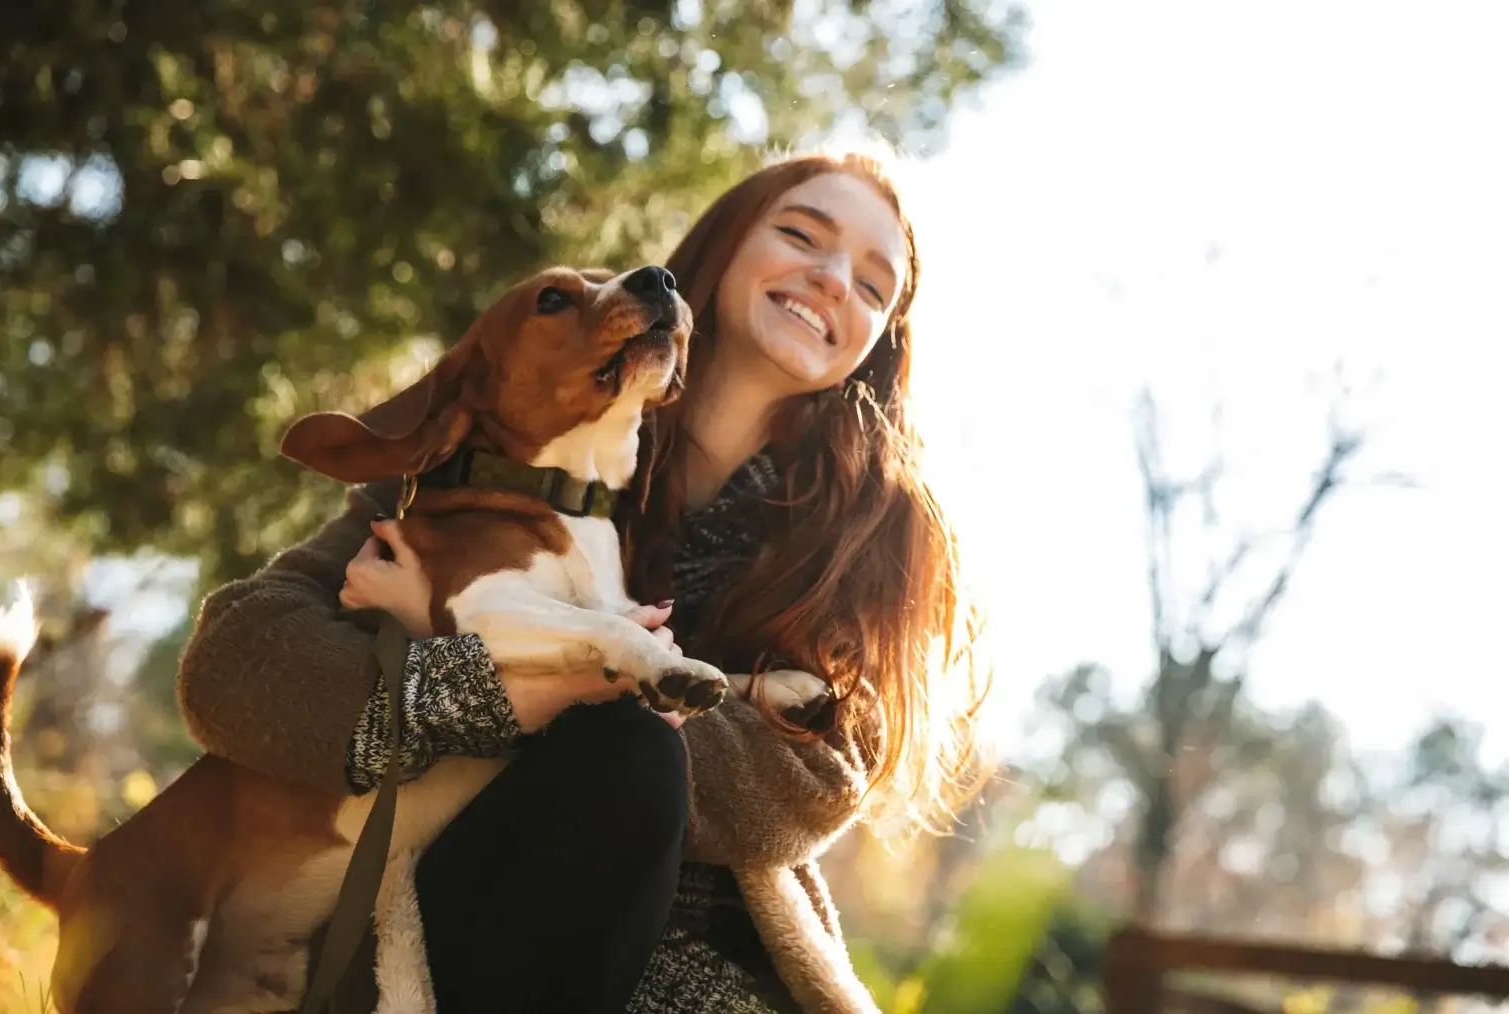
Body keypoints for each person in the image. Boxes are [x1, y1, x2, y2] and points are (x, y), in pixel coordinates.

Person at [176, 150, 993, 1014]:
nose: (832, 280)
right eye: (801, 235)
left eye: (873, 285)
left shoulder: (878, 531)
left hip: (706, 954)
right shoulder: (510, 433)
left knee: (629, 757)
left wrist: (504, 657)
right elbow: (236, 661)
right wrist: (485, 685)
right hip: (458, 910)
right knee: (629, 750)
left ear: (880, 338)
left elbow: (809, 777)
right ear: (721, 248)